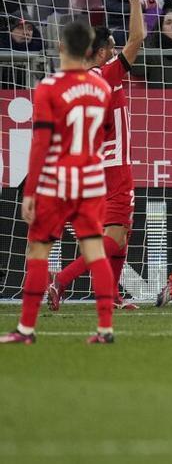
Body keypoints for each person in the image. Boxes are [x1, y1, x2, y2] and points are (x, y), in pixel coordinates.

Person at [0, 19, 114, 345]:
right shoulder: (102, 88)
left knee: (38, 251)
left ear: (61, 46)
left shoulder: (49, 87)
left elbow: (41, 143)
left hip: (57, 180)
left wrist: (31, 191)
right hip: (91, 180)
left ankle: (25, 329)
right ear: (91, 50)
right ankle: (105, 329)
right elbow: (104, 132)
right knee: (94, 250)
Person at [47, 0, 146, 312]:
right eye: (112, 47)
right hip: (114, 168)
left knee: (121, 236)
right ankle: (61, 281)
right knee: (114, 237)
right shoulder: (107, 74)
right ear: (103, 52)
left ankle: (112, 296)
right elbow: (138, 39)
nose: (118, 50)